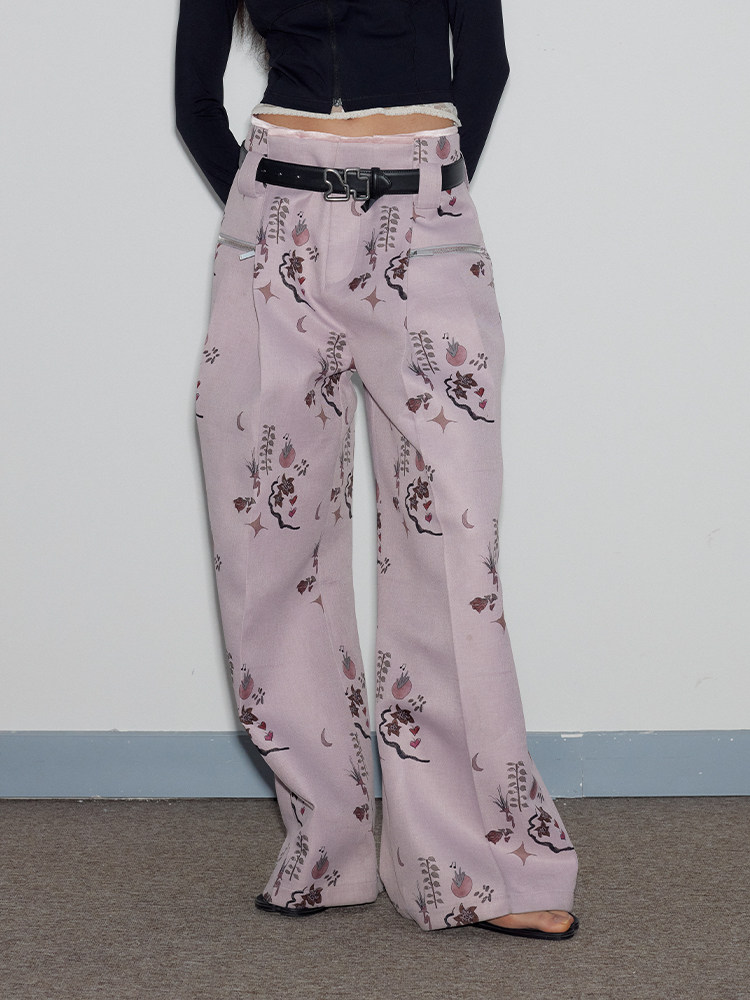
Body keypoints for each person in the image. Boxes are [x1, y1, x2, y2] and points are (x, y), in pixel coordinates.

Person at [175, 0, 579, 938]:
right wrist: (270, 205)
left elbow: (486, 65)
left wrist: (422, 192)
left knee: (454, 541)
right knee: (268, 540)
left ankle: (479, 865)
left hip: (422, 212)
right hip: (274, 224)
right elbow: (195, 99)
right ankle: (328, 844)